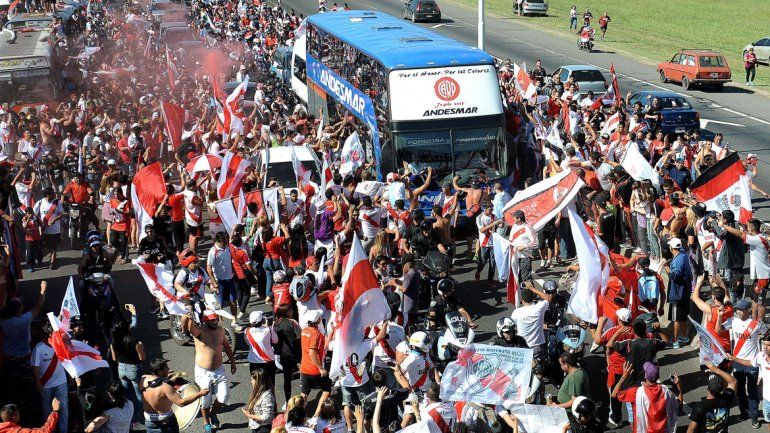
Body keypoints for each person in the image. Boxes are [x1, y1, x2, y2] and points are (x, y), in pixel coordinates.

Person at [182, 310, 236, 432]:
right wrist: (186, 317)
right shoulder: (200, 331)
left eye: (216, 319)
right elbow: (189, 328)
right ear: (205, 321)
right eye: (212, 320)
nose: (215, 321)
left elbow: (227, 346)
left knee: (224, 397)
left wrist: (233, 362)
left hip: (219, 370)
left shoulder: (221, 331)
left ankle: (213, 413)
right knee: (205, 401)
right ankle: (206, 423)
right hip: (203, 373)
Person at [726, 298, 766, 426]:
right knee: (740, 391)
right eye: (737, 309)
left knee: (753, 391)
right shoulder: (732, 321)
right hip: (737, 361)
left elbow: (767, 334)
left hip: (752, 363)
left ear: (747, 310)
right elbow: (719, 329)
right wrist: (720, 315)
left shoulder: (756, 323)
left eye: (741, 310)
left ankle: (754, 417)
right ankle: (743, 413)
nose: (738, 312)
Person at [140, 358, 209, 433]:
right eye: (166, 367)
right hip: (166, 423)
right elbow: (181, 403)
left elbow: (154, 385)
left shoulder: (143, 379)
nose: (169, 369)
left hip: (149, 422)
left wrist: (164, 377)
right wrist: (200, 394)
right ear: (160, 371)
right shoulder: (165, 387)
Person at [611, 362, 681, 433]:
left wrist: (624, 376)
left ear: (645, 376)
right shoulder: (666, 391)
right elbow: (678, 405)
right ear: (658, 377)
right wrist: (678, 386)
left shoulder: (636, 392)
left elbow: (614, 394)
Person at [109, 309, 145, 429]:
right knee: (139, 395)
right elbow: (142, 357)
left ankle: (130, 418)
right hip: (133, 369)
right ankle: (139, 416)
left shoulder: (114, 341)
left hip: (121, 368)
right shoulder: (134, 341)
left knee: (126, 395)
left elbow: (114, 358)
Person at [31, 320, 68, 433]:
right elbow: (35, 367)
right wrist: (37, 383)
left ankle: (63, 430)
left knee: (64, 408)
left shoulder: (61, 344)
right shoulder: (38, 348)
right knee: (47, 410)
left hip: (61, 382)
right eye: (56, 332)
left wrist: (70, 377)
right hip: (45, 385)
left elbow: (66, 360)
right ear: (50, 334)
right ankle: (49, 430)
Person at [687, 362, 738, 432]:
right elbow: (733, 381)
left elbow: (691, 428)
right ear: (722, 386)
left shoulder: (701, 406)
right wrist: (717, 370)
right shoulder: (727, 398)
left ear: (707, 387)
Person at [299, 309, 331, 418]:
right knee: (327, 389)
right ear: (318, 321)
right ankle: (316, 415)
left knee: (304, 393)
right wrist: (321, 368)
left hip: (304, 368)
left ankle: (299, 415)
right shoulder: (316, 334)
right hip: (314, 370)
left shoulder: (304, 330)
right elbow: (312, 352)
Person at [510, 285, 553, 359]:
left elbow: (512, 326)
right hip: (537, 345)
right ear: (533, 299)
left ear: (522, 300)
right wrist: (533, 289)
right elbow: (549, 298)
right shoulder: (539, 308)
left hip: (523, 346)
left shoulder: (516, 312)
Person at [207, 232, 238, 323]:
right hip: (219, 281)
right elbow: (209, 268)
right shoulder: (213, 251)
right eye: (224, 241)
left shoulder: (228, 248)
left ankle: (234, 320)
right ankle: (222, 324)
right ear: (219, 241)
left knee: (233, 301)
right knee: (219, 305)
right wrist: (214, 283)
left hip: (230, 279)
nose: (226, 242)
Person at [666, 237, 692, 347]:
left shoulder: (678, 260)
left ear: (671, 247)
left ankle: (675, 341)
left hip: (678, 293)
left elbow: (674, 275)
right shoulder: (683, 255)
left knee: (676, 318)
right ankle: (685, 336)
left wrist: (666, 267)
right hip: (685, 291)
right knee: (682, 316)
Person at [245, 310, 278, 389]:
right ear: (262, 320)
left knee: (256, 385)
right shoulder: (268, 330)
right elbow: (275, 340)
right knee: (270, 384)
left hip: (254, 362)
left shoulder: (247, 331)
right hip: (268, 361)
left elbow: (247, 343)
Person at [33, 187, 64, 268]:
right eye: (52, 193)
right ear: (47, 195)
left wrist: (55, 219)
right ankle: (53, 256)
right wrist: (39, 222)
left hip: (55, 230)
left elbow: (62, 214)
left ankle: (52, 262)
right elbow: (34, 214)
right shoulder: (40, 203)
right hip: (44, 230)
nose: (54, 194)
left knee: (54, 247)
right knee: (48, 247)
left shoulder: (57, 203)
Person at [242, 369, 275, 433]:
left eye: (252, 380)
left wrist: (249, 415)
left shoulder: (267, 396)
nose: (251, 382)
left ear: (258, 381)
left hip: (263, 428)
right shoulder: (258, 392)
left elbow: (266, 417)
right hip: (256, 426)